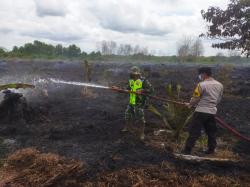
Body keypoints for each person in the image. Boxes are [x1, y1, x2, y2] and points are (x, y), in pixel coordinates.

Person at [183, 67, 223, 155]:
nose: (200, 76)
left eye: (200, 74)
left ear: (204, 74)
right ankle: (211, 149)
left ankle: (187, 150)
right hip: (212, 112)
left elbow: (196, 98)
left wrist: (190, 104)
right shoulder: (220, 85)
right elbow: (219, 99)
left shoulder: (201, 85)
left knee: (194, 131)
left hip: (200, 111)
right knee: (211, 132)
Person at [122, 66, 154, 140]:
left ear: (138, 73)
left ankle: (142, 133)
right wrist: (122, 89)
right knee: (127, 114)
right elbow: (128, 87)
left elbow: (151, 90)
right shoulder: (131, 80)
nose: (134, 75)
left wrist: (142, 90)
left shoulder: (143, 80)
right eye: (133, 73)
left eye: (136, 73)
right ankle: (128, 127)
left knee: (140, 117)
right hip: (132, 101)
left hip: (139, 102)